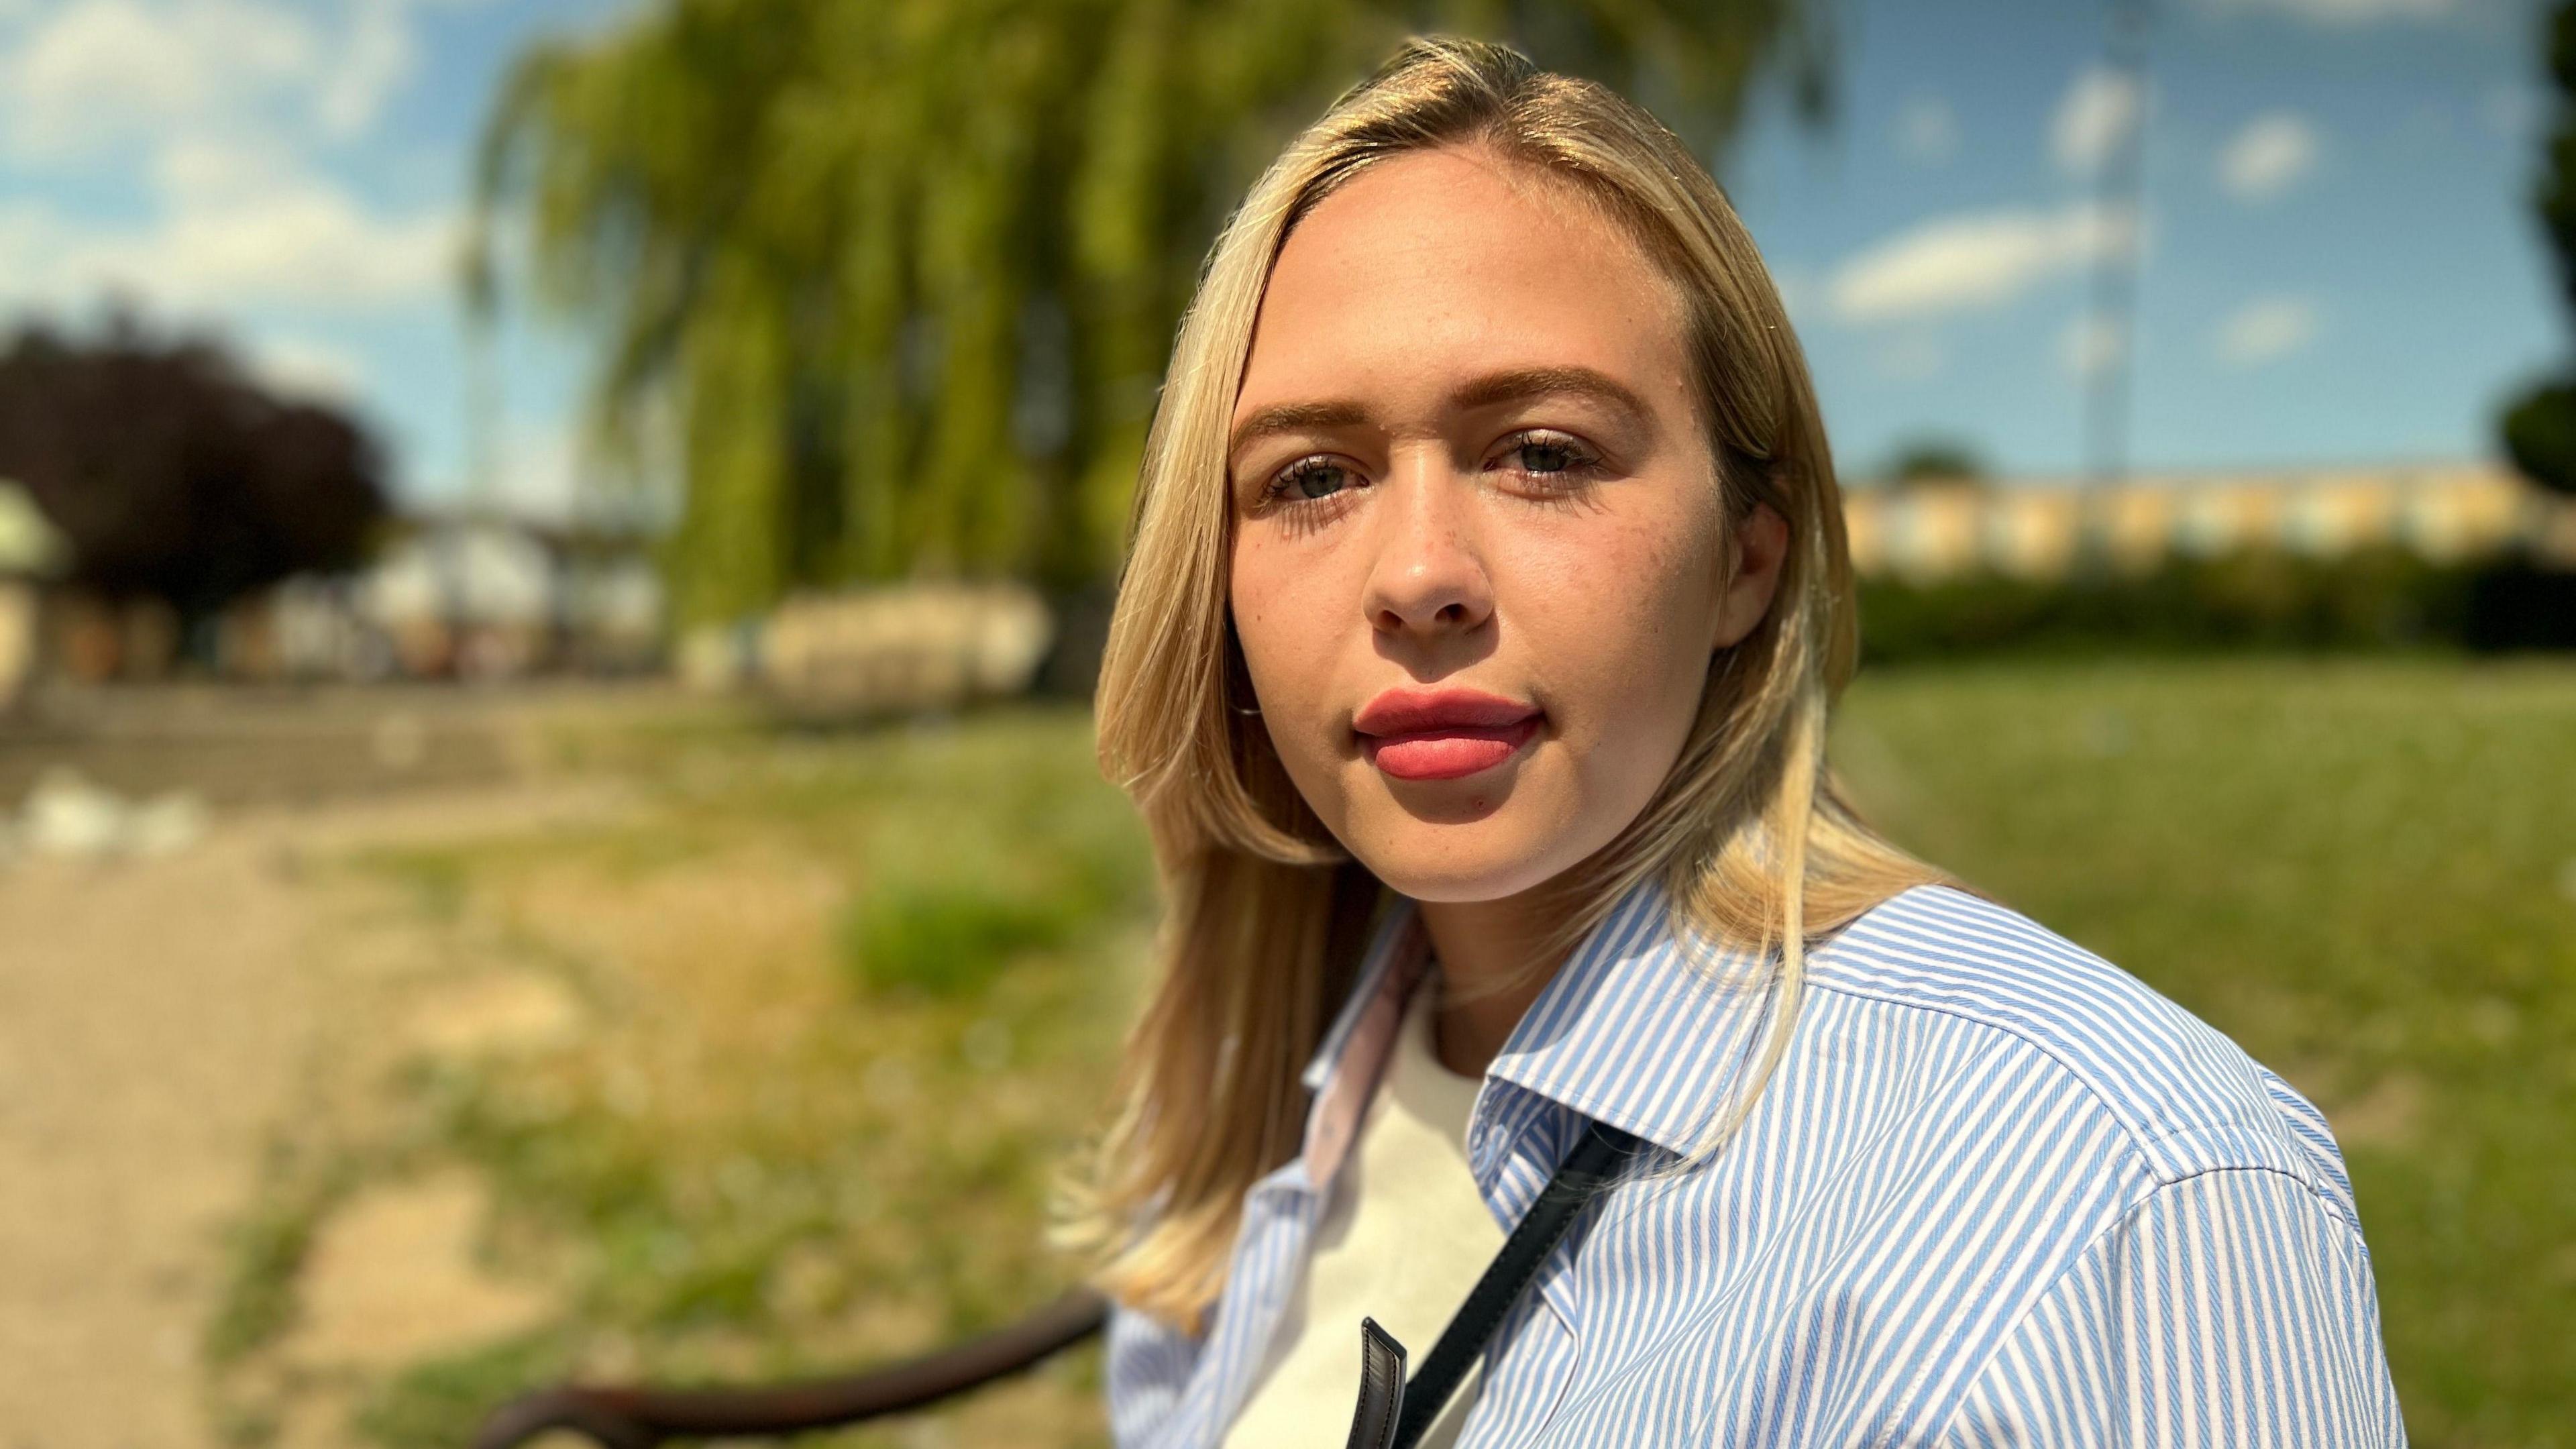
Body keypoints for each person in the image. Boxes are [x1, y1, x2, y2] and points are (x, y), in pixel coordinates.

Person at [1069, 36, 2404, 1448]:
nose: (1415, 575)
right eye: (1313, 478)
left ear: (1746, 563)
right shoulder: (1237, 1138)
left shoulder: (2126, 1185)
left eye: (1542, 453)